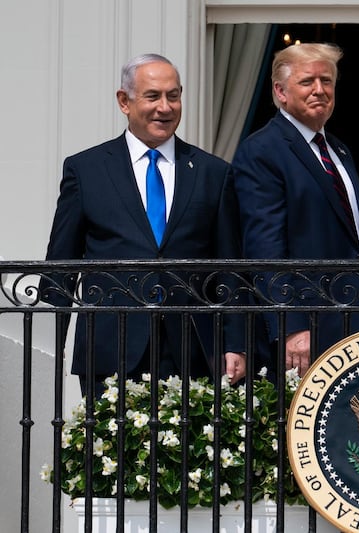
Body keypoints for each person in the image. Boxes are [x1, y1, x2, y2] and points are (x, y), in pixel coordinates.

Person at [42, 54, 247, 394]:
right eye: (153, 96)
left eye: (173, 95)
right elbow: (61, 266)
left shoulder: (213, 173)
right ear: (125, 101)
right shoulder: (86, 169)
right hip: (111, 347)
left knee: (188, 448)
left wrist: (235, 342)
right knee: (110, 448)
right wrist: (49, 347)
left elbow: (230, 269)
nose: (165, 108)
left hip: (191, 348)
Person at [232, 43, 359, 377]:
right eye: (308, 81)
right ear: (280, 91)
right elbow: (265, 249)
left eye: (327, 81)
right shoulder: (262, 150)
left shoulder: (338, 150)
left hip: (350, 322)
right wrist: (290, 326)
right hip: (305, 331)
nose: (320, 90)